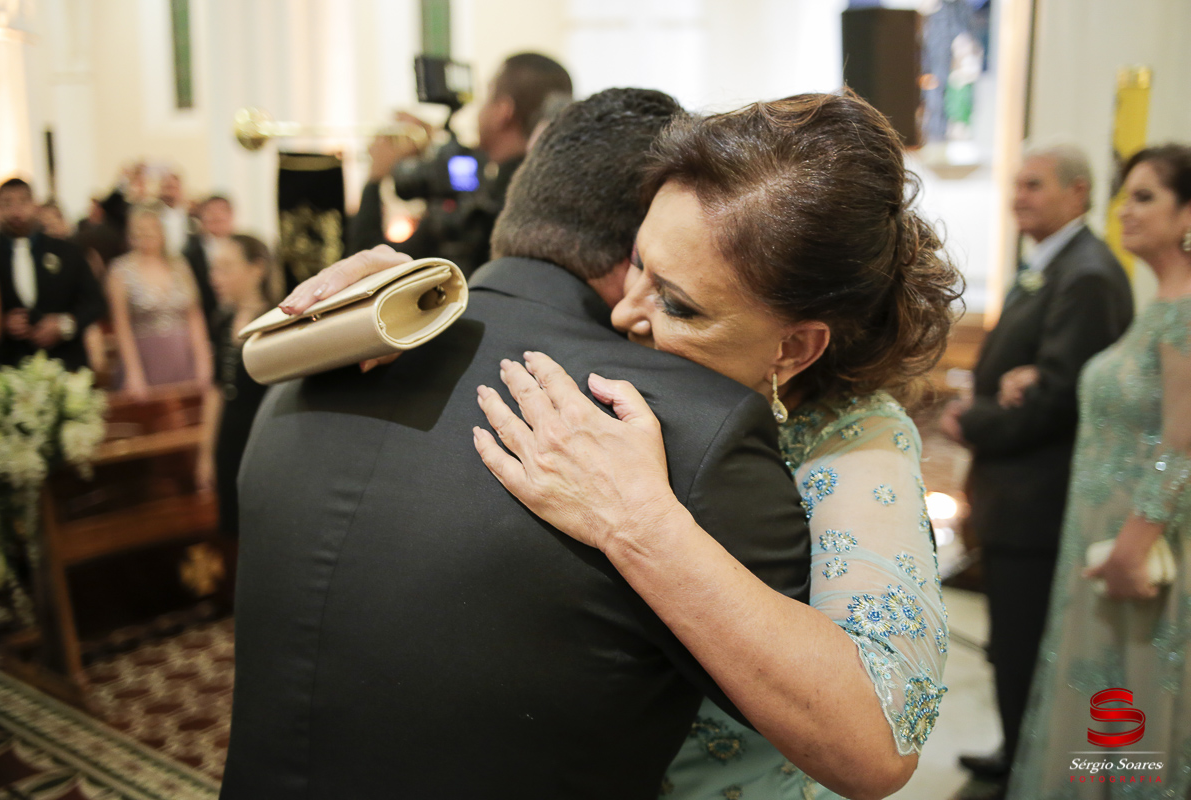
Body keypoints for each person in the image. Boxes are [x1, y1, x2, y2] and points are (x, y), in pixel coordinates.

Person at [291, 91, 962, 799]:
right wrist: (406, 300)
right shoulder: (629, 363)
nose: (623, 311)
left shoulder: (856, 434)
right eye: (637, 262)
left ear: (794, 346)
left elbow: (878, 745)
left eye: (679, 305)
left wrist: (640, 525)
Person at [938, 144, 1134, 797]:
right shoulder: (1052, 265)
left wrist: (973, 420)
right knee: (1012, 642)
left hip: (1038, 498)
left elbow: (1057, 397)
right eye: (1016, 185)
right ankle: (1017, 748)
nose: (1019, 196)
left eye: (1035, 185)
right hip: (1014, 492)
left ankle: (1027, 766)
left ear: (1079, 194)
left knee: (1025, 641)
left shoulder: (1086, 276)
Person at [1007, 145, 1191, 799]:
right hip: (1105, 530)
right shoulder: (1162, 303)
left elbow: (1183, 445)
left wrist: (1134, 549)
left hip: (1135, 547)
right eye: (1124, 194)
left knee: (1129, 706)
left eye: (1145, 196)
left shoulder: (1185, 310)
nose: (1125, 209)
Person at [346, 52, 572, 272]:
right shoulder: (555, 192)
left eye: (486, 98)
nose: (479, 112)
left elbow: (370, 265)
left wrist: (375, 179)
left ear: (503, 112)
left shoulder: (479, 209)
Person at [196, 234, 271, 537]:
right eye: (213, 269)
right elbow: (217, 389)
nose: (215, 278)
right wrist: (206, 453)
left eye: (225, 268)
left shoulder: (276, 321)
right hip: (230, 438)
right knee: (233, 528)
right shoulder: (222, 320)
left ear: (257, 269)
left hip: (263, 438)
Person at [0, 178, 106, 372]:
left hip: (66, 364)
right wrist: (1, 322)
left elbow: (95, 302)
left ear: (34, 205)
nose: (16, 211)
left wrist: (64, 324)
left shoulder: (67, 251)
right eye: (7, 203)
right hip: (12, 367)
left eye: (22, 202)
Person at [105, 205, 212, 396]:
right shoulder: (120, 271)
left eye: (152, 228)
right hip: (146, 358)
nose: (147, 234)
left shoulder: (179, 266)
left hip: (182, 356)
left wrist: (203, 362)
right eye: (140, 229)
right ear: (131, 233)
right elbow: (122, 325)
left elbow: (194, 316)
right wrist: (134, 373)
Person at [182, 194, 235, 324]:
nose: (216, 215)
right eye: (210, 211)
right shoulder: (189, 253)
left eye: (222, 210)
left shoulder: (244, 246)